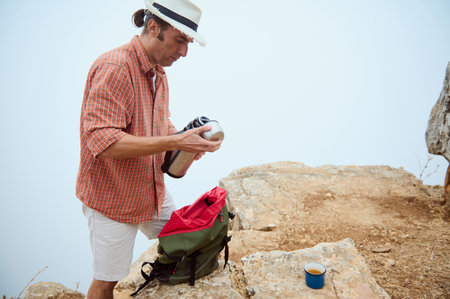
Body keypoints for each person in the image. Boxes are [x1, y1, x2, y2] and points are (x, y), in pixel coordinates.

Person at [75, 1, 221, 298]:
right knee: (107, 281)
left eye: (188, 43)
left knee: (188, 239)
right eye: (180, 40)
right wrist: (175, 142)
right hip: (112, 200)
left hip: (150, 189)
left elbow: (158, 124)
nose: (184, 52)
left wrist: (188, 141)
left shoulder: (159, 72)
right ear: (153, 28)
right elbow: (102, 142)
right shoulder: (115, 67)